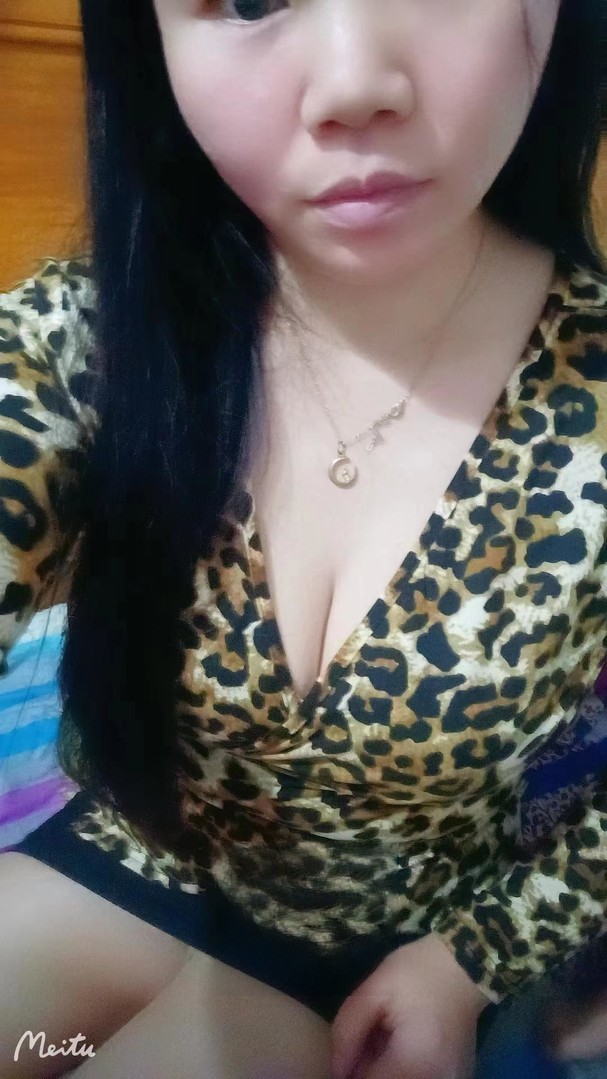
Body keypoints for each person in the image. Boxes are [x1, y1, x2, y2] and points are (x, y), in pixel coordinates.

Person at [0, 0, 606, 1076]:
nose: (353, 82)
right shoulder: (93, 333)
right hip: (125, 856)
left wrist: (472, 960)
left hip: (378, 950)